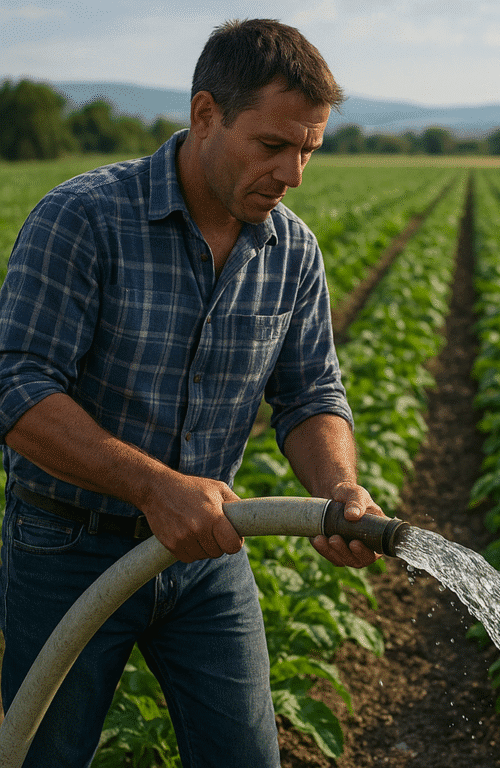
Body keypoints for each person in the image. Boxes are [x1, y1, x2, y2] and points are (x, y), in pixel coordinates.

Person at [0, 18, 382, 767]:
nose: (294, 173)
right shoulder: (83, 219)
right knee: (44, 754)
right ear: (205, 115)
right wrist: (153, 486)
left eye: (308, 149)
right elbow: (16, 387)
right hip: (68, 545)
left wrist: (340, 489)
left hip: (208, 558)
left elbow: (310, 394)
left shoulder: (292, 251)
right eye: (273, 145)